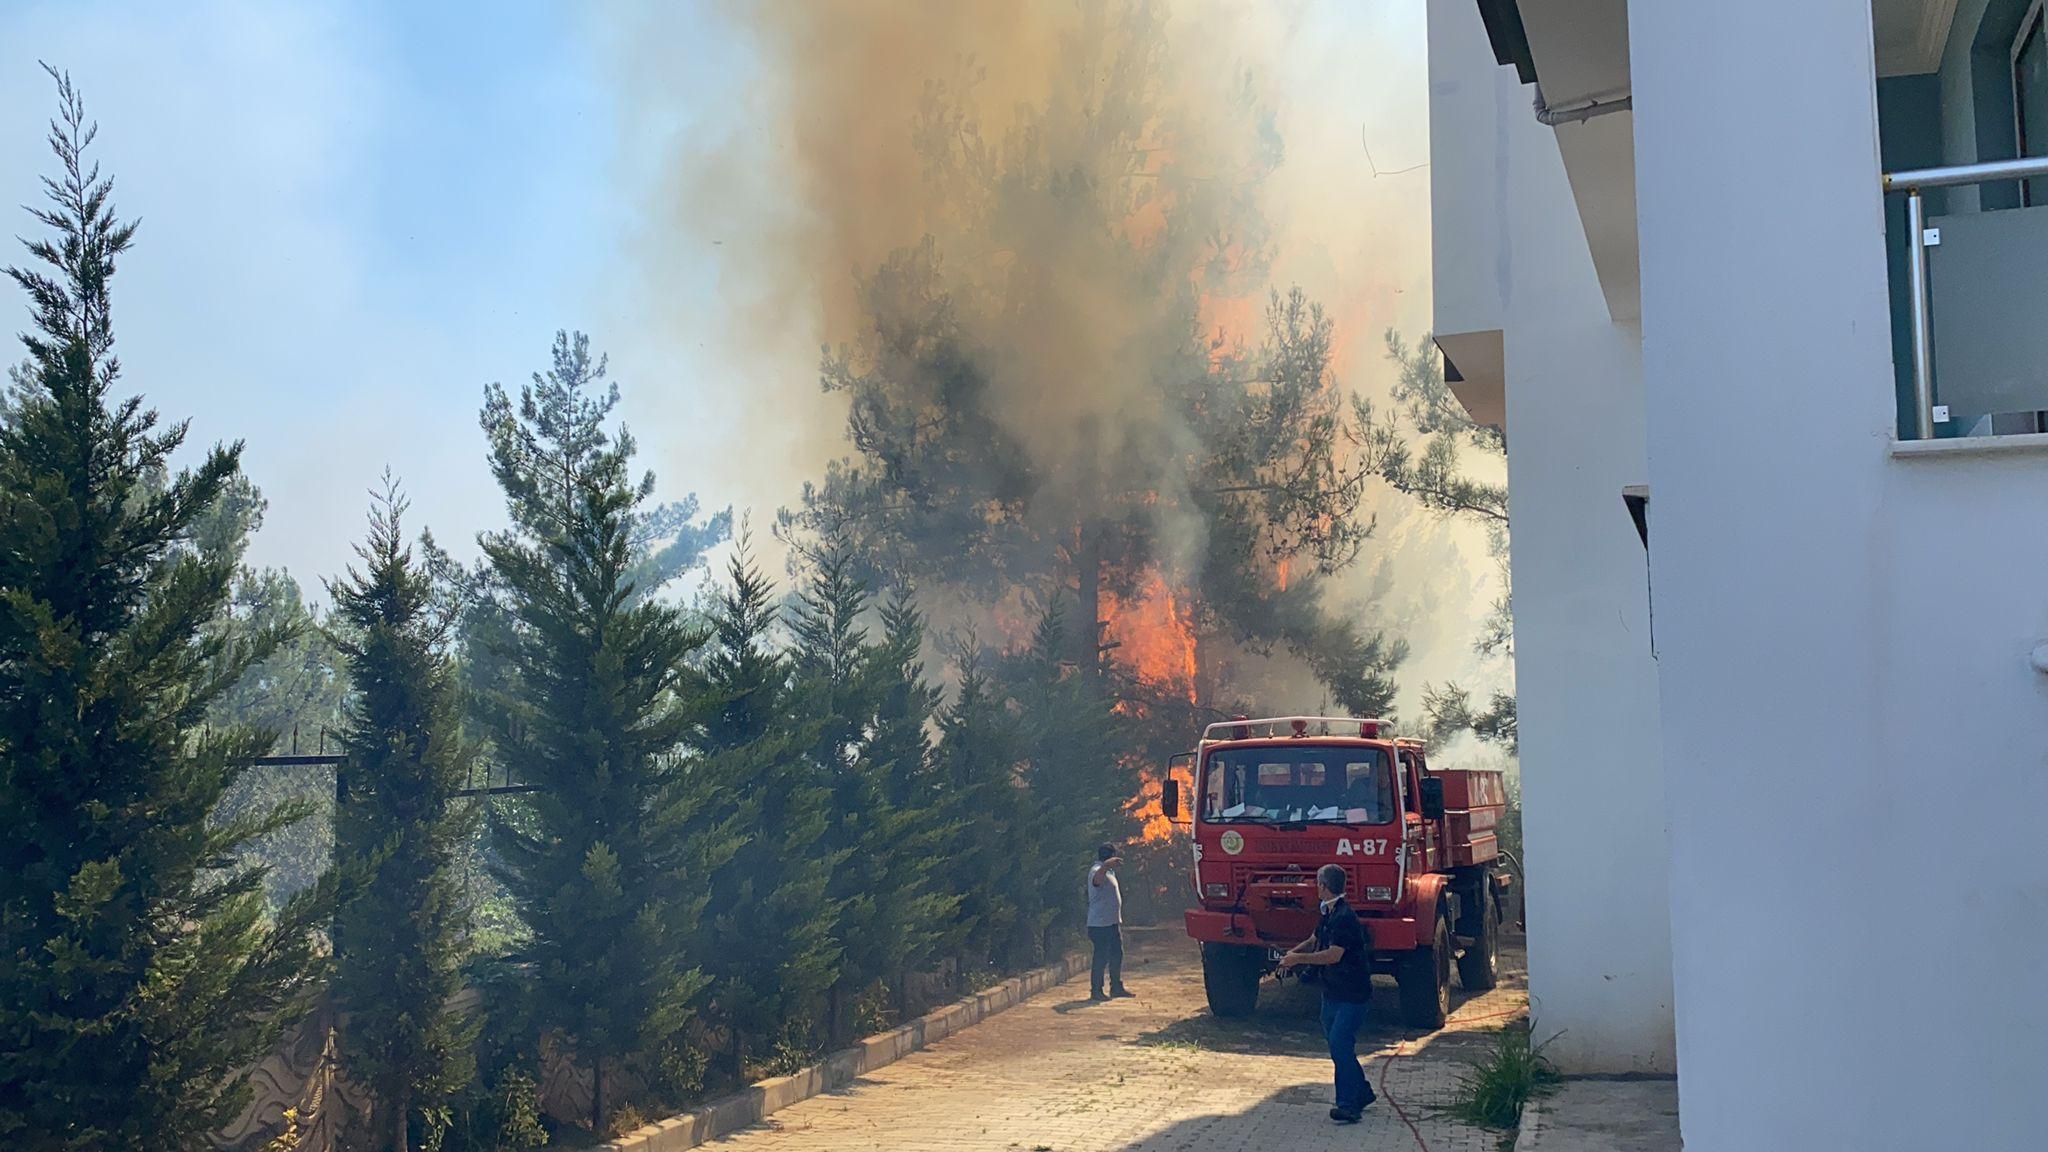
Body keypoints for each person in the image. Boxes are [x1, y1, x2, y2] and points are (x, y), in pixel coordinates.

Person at [1278, 863, 1376, 1123]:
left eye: (1317, 883)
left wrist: (1299, 960)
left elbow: (1334, 955)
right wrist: (1291, 954)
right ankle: (1362, 1091)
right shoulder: (1328, 913)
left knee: (1340, 1045)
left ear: (1324, 886)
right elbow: (1314, 939)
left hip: (1352, 995)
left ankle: (1347, 1105)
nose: (1315, 887)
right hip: (1332, 993)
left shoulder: (1344, 918)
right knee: (1338, 1046)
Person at [1087, 843, 1134, 1001]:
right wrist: (1106, 865)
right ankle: (1096, 990)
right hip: (1100, 925)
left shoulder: (1109, 871)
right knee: (1101, 957)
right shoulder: (1097, 870)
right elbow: (1097, 882)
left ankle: (1116, 987)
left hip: (1111, 923)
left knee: (1116, 954)